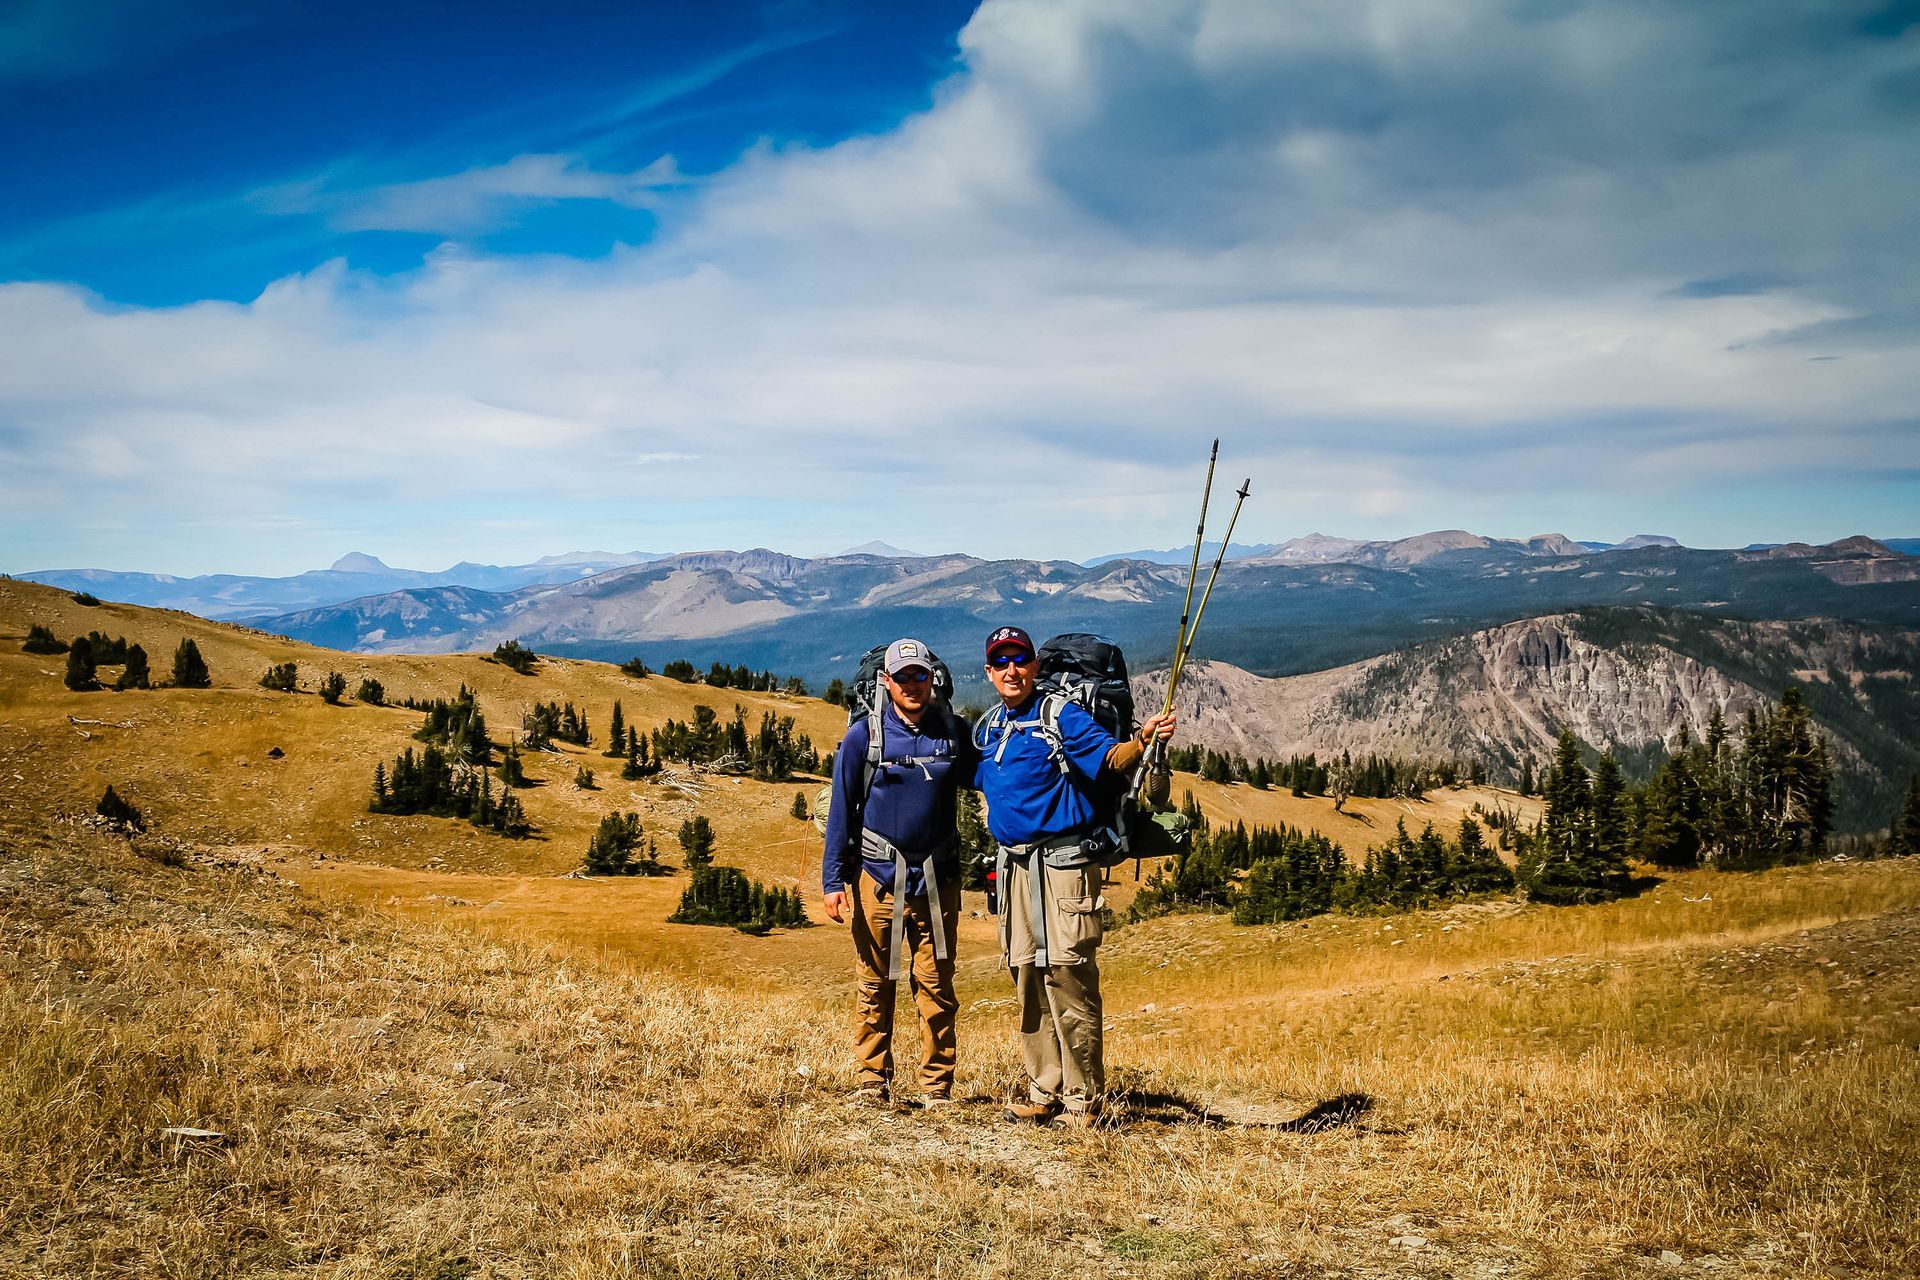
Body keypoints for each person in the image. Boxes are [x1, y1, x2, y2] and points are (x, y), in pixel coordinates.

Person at [972, 625, 1175, 1128]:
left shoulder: (1059, 715)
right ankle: (1046, 1087)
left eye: (1020, 660)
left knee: (1067, 976)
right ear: (989, 672)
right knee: (1025, 976)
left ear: (1035, 666)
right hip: (1014, 867)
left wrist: (1143, 739)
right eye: (1001, 662)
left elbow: (1110, 760)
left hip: (1063, 866)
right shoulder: (991, 725)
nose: (1011, 670)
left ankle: (1084, 1101)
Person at [821, 638, 977, 1107]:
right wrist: (832, 881)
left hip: (938, 879)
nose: (912, 685)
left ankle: (937, 1086)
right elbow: (841, 812)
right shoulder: (862, 738)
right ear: (885, 682)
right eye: (903, 677)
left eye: (920, 676)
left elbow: (994, 776)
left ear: (934, 679)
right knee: (874, 979)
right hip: (878, 878)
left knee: (936, 982)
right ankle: (873, 1079)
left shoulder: (953, 732)